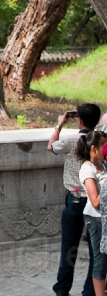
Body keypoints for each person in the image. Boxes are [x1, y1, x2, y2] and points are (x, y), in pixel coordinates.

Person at [49, 103, 102, 296]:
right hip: (96, 201)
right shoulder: (100, 140)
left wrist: (59, 124)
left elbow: (51, 146)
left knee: (69, 248)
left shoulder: (71, 139)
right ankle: (90, 290)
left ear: (78, 119)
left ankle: (62, 288)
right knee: (96, 250)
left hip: (75, 199)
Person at [79, 130, 107, 296]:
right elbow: (95, 201)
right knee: (100, 259)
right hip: (96, 218)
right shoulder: (87, 169)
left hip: (105, 217)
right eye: (104, 145)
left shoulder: (103, 165)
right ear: (94, 148)